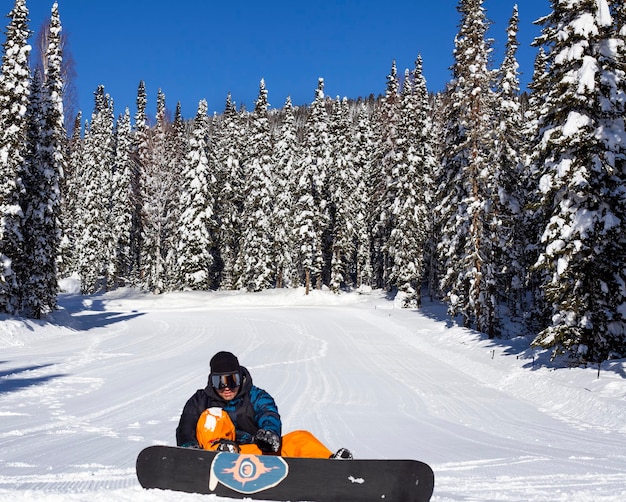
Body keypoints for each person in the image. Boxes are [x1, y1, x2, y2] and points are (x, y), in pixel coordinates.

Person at [176, 351, 352, 459]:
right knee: (214, 415)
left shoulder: (256, 396)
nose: (227, 387)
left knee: (300, 437)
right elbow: (186, 426)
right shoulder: (200, 399)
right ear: (211, 381)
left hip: (250, 453)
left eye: (232, 380)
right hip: (213, 456)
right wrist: (188, 447)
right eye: (219, 382)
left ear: (241, 377)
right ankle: (220, 454)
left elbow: (269, 414)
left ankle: (331, 467)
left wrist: (270, 434)